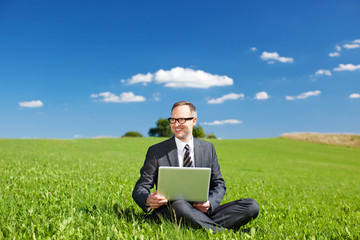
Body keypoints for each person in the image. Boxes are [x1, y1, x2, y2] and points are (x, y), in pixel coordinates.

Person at [132, 101, 259, 231]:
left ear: (194, 121)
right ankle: (224, 233)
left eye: (181, 120)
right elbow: (140, 187)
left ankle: (199, 224)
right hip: (172, 210)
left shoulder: (208, 148)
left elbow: (219, 183)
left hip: (203, 211)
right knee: (179, 204)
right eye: (173, 119)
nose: (176, 124)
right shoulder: (156, 151)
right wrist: (148, 199)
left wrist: (209, 203)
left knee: (251, 206)